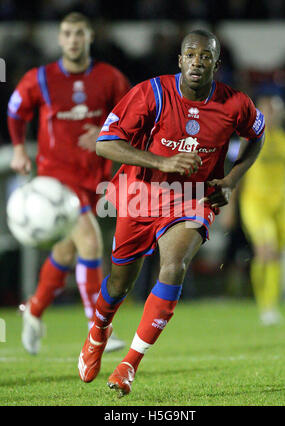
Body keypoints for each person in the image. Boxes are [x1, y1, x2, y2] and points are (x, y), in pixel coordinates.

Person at [77, 29, 265, 397]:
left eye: (206, 56)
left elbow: (257, 133)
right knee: (119, 285)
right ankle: (99, 330)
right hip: (140, 194)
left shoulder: (235, 103)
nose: (198, 61)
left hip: (192, 197)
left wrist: (230, 180)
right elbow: (105, 143)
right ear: (180, 60)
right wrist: (162, 161)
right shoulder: (152, 93)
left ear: (217, 64)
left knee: (174, 265)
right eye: (191, 55)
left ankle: (130, 363)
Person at [8, 12, 131, 354]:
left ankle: (33, 311)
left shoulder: (109, 77)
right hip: (55, 182)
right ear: (60, 39)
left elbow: (131, 115)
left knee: (65, 251)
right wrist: (19, 149)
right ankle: (98, 329)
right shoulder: (42, 79)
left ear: (89, 37)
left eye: (79, 33)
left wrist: (106, 134)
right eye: (67, 33)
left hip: (94, 179)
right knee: (91, 244)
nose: (73, 39)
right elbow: (16, 109)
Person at [238, 95, 285, 325]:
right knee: (266, 250)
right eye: (268, 111)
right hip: (255, 202)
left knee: (277, 254)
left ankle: (270, 304)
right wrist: (231, 206)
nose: (272, 115)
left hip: (283, 204)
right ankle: (267, 305)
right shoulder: (250, 140)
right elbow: (238, 175)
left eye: (276, 111)